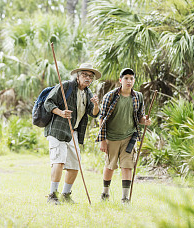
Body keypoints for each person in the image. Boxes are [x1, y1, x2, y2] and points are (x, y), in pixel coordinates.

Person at [44, 63, 101, 205]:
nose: (88, 78)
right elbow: (48, 102)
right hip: (58, 129)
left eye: (90, 76)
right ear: (78, 76)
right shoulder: (66, 86)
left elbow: (93, 114)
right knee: (59, 160)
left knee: (75, 164)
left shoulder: (88, 93)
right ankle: (53, 195)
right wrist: (61, 112)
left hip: (73, 132)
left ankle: (65, 195)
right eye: (85, 75)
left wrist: (96, 105)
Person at [96, 68, 151, 203]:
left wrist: (145, 121)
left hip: (129, 137)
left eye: (131, 78)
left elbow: (140, 117)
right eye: (126, 78)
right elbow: (102, 118)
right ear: (120, 80)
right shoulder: (111, 96)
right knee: (110, 166)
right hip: (112, 137)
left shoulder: (138, 97)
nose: (129, 81)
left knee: (127, 166)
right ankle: (105, 193)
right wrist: (102, 140)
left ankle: (125, 198)